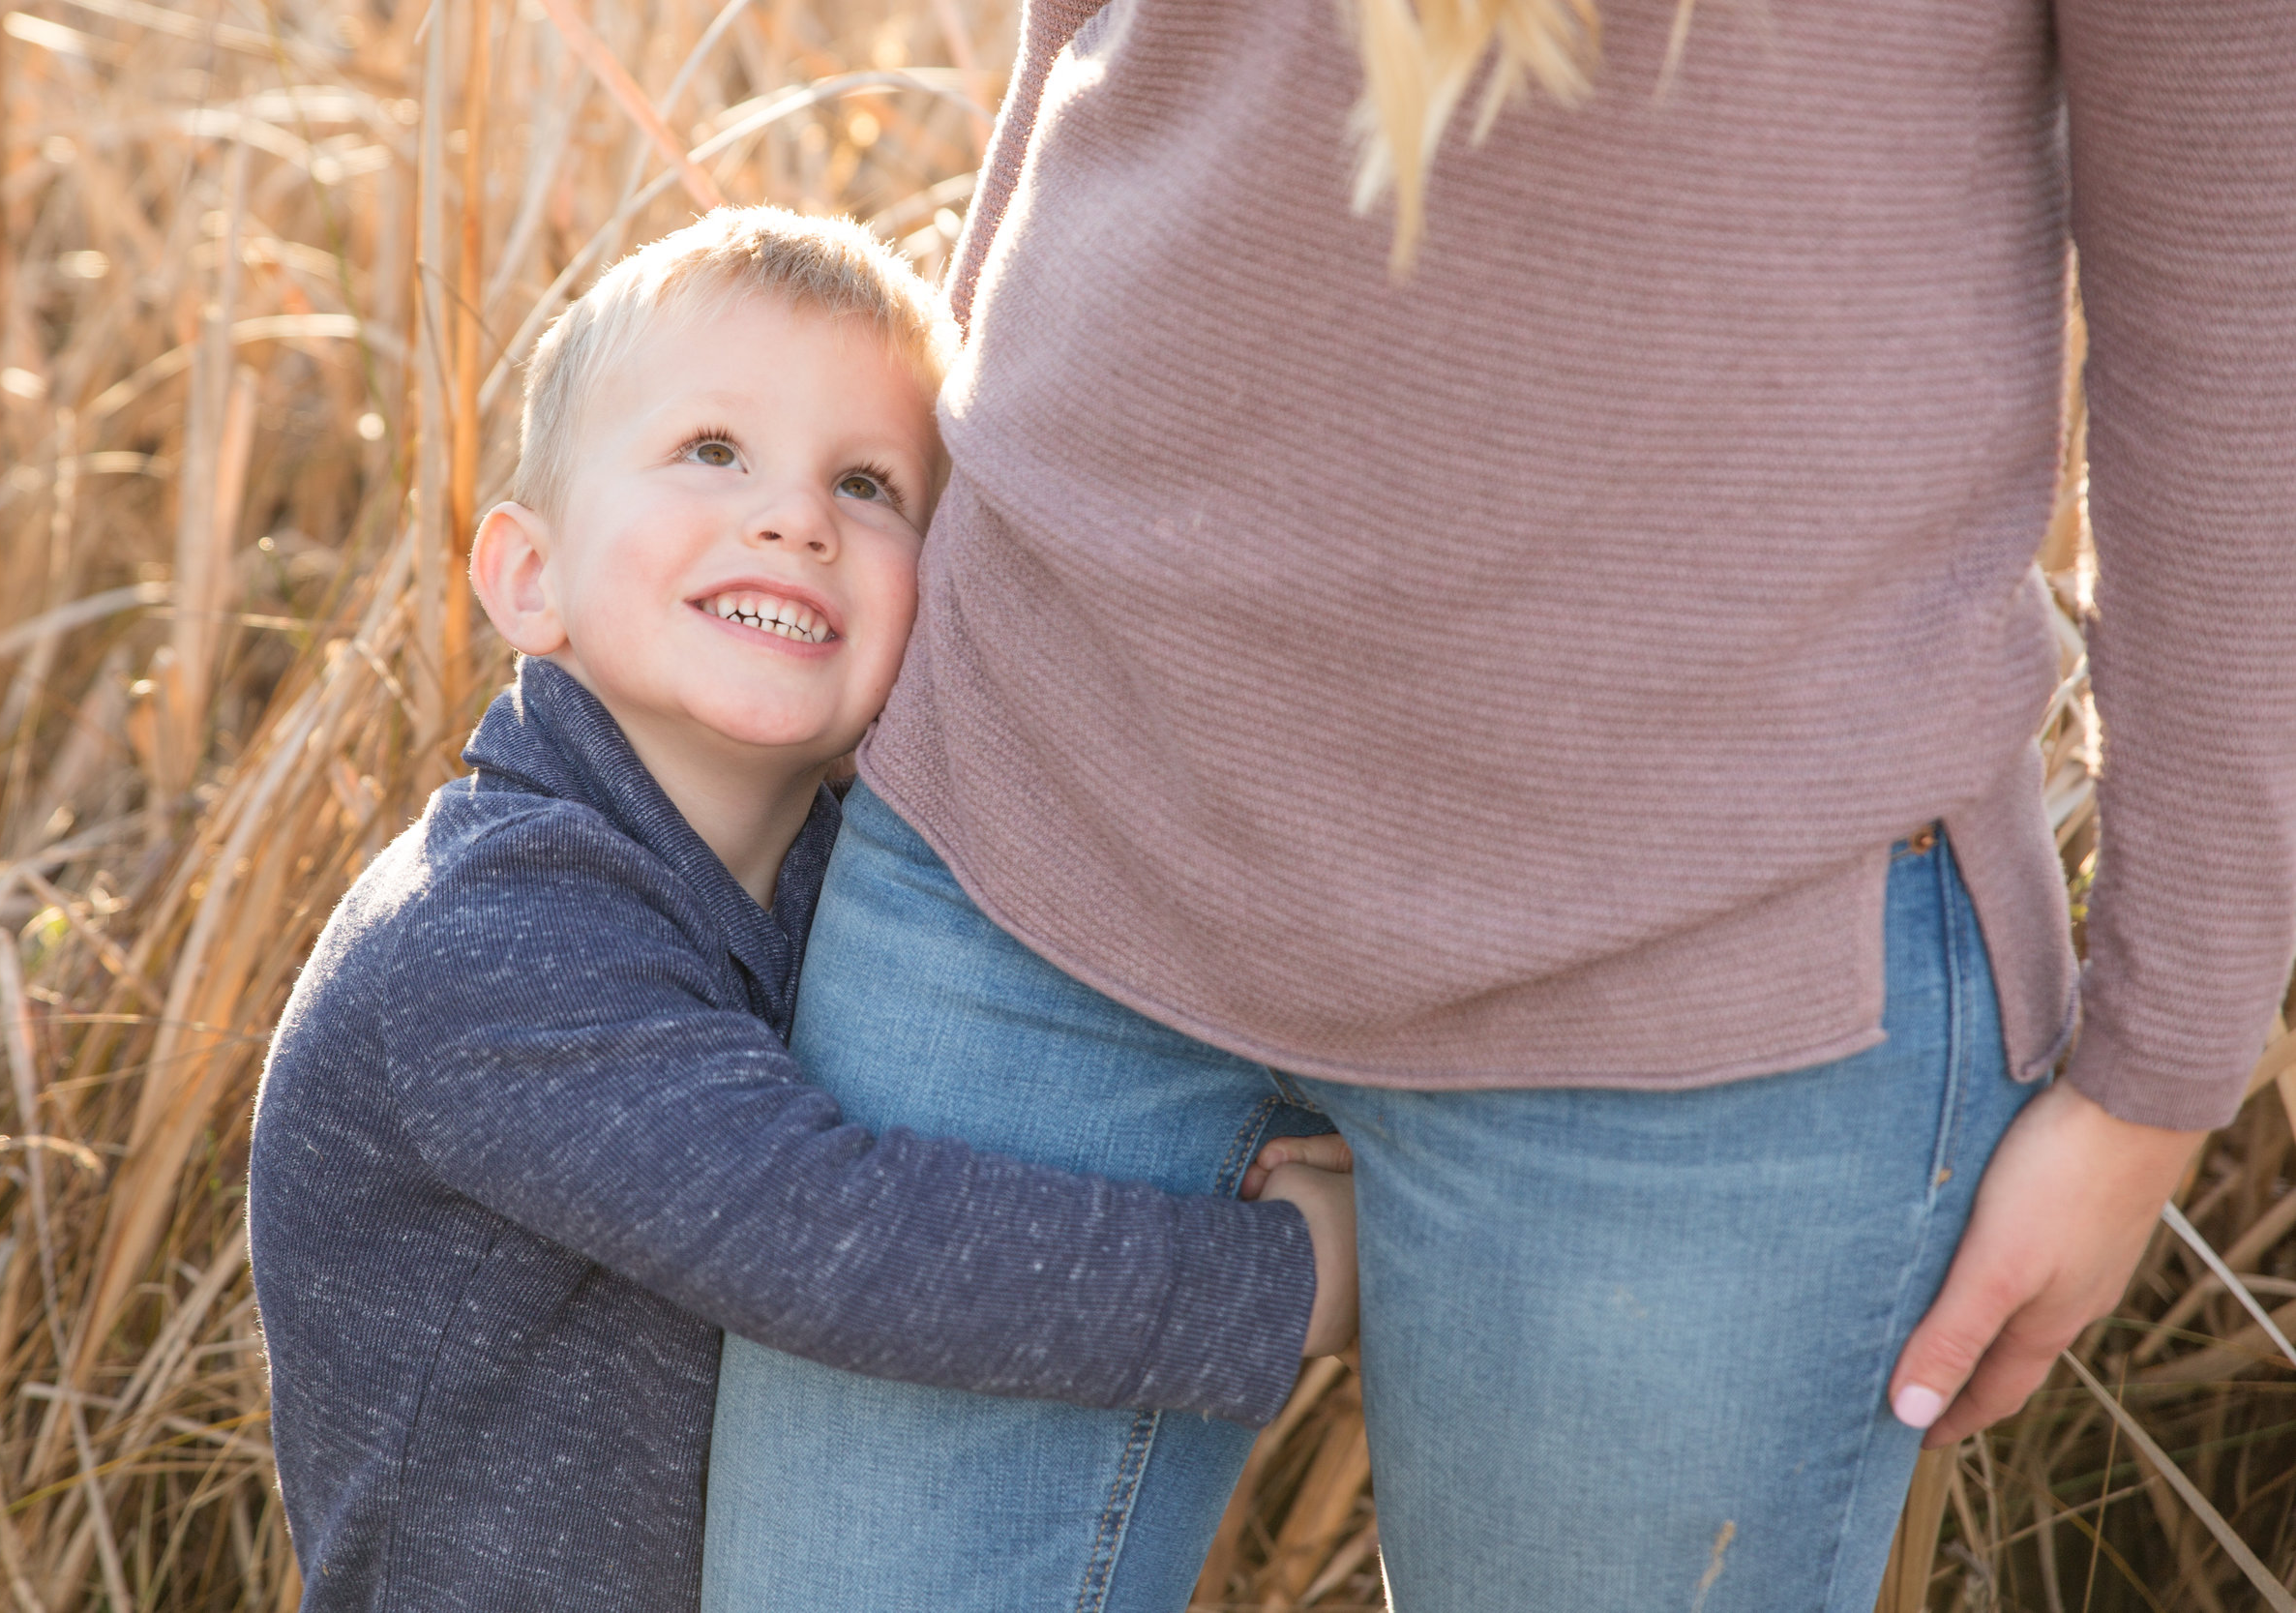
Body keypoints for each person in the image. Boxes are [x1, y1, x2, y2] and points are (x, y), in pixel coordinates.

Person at [697, 1, 2295, 1609]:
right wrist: (911, 583)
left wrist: (2161, 1072)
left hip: (1701, 987)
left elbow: (2242, 294)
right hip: (1027, 818)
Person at [244, 208, 1358, 1613]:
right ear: (530, 575)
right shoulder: (491, 940)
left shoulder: (831, 888)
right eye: (712, 451)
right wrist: (1290, 1284)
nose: (793, 517)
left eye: (871, 484)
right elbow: (833, 1237)